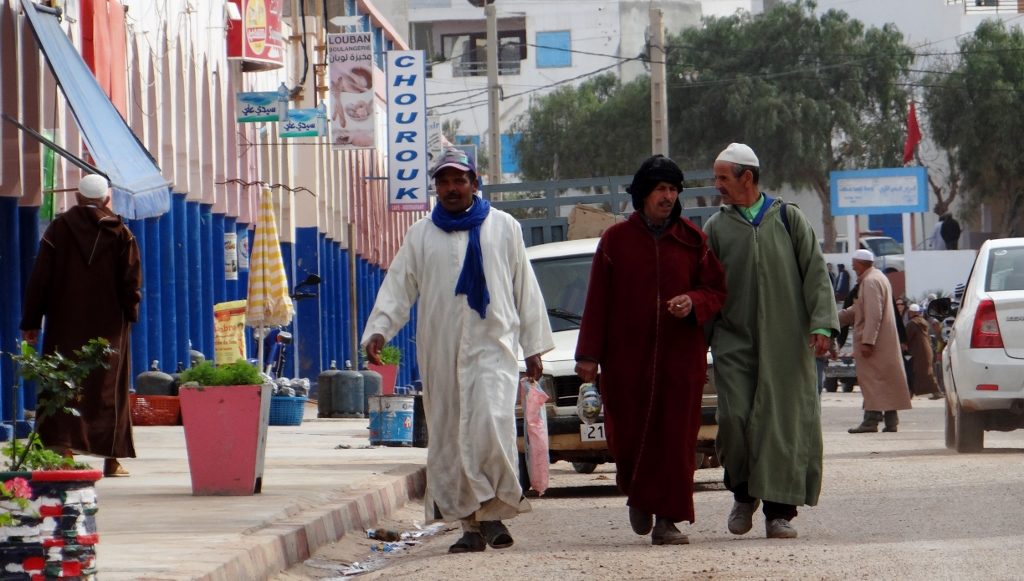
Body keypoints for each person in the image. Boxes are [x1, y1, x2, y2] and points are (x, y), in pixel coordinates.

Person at [361, 147, 554, 554]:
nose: (452, 188)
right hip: (441, 351)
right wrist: (379, 330)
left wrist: (534, 345)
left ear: (474, 183)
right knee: (450, 435)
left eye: (459, 180)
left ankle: (495, 513)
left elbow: (525, 287)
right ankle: (469, 525)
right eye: (444, 181)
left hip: (494, 346)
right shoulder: (421, 234)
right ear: (436, 188)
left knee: (490, 426)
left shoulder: (504, 227)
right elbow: (399, 287)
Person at [574, 155, 727, 546]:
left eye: (673, 190)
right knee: (629, 435)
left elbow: (716, 291)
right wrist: (588, 355)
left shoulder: (694, 240)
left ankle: (668, 519)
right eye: (661, 189)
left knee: (676, 439)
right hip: (627, 361)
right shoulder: (615, 241)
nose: (668, 196)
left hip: (680, 361)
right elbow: (597, 301)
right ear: (643, 193)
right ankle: (639, 496)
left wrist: (693, 301)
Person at [703, 143, 839, 540]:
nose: (717, 186)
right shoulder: (716, 227)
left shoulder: (789, 219)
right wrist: (699, 343)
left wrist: (822, 326)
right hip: (733, 343)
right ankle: (743, 495)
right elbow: (708, 289)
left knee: (781, 426)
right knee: (734, 418)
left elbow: (815, 273)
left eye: (723, 178)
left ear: (747, 177)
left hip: (785, 343)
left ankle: (779, 512)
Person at [20, 174, 141, 477]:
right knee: (107, 389)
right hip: (110, 326)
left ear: (76, 197)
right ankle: (112, 459)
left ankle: (64, 450)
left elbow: (40, 280)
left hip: (65, 324)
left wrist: (31, 321)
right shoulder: (121, 235)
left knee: (63, 382)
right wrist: (130, 315)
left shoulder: (57, 232)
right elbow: (132, 283)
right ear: (106, 200)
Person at [839, 249, 912, 433]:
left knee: (872, 381)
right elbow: (860, 310)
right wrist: (834, 318)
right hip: (882, 341)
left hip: (875, 343)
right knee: (885, 381)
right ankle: (891, 421)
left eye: (854, 262)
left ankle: (870, 421)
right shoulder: (877, 278)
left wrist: (868, 341)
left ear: (860, 263)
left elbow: (874, 314)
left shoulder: (871, 282)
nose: (853, 266)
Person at [906, 303, 943, 400]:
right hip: (927, 351)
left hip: (918, 352)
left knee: (915, 373)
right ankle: (910, 393)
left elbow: (906, 338)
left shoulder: (911, 324)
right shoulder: (924, 322)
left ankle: (936, 392)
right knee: (925, 372)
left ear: (911, 313)